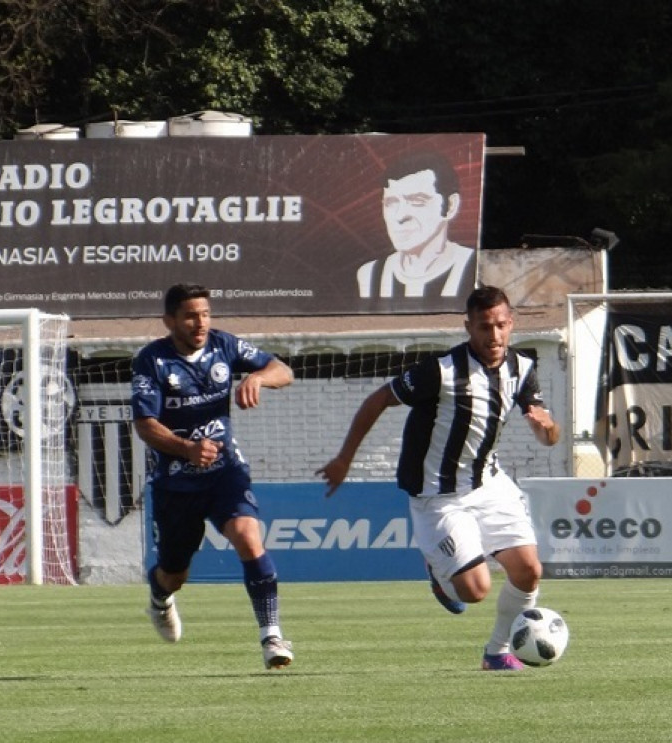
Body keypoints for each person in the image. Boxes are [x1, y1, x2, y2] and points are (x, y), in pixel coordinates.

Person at [317, 285, 560, 671]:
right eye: (484, 327)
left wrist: (548, 429)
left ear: (511, 324)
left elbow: (547, 432)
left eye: (500, 326)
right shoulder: (441, 372)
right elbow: (379, 398)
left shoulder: (523, 368)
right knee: (475, 591)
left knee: (529, 570)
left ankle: (497, 653)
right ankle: (439, 570)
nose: (493, 336)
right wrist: (344, 458)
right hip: (438, 495)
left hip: (488, 483)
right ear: (468, 327)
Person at [131, 282, 295, 669]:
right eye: (190, 315)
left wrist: (257, 378)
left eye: (204, 314)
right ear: (169, 321)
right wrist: (187, 448)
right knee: (174, 573)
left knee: (248, 537)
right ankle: (159, 598)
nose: (200, 322)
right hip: (176, 482)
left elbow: (282, 369)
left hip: (225, 471)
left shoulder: (225, 346)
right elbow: (144, 425)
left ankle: (271, 636)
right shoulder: (151, 361)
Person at [357, 151, 475, 299]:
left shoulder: (473, 267)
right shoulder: (370, 275)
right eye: (391, 203)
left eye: (417, 202)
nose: (400, 216)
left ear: (451, 206)